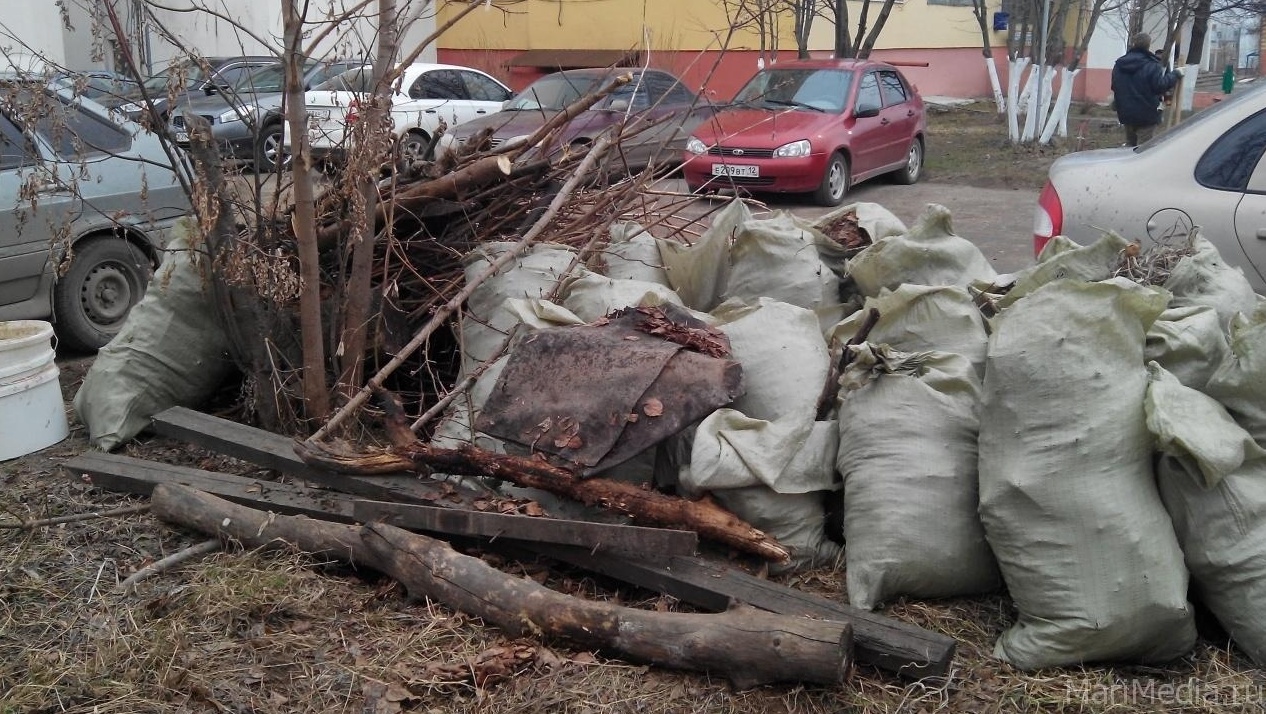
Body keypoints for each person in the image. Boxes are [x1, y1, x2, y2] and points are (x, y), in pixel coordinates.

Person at [1111, 32, 1183, 147]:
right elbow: (1159, 86)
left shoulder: (1119, 64)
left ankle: (1129, 158)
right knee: (1144, 148)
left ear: (1133, 44)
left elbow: (1115, 86)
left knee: (1130, 146)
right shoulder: (1153, 65)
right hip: (1147, 113)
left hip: (1126, 112)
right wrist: (1175, 74)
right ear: (1148, 45)